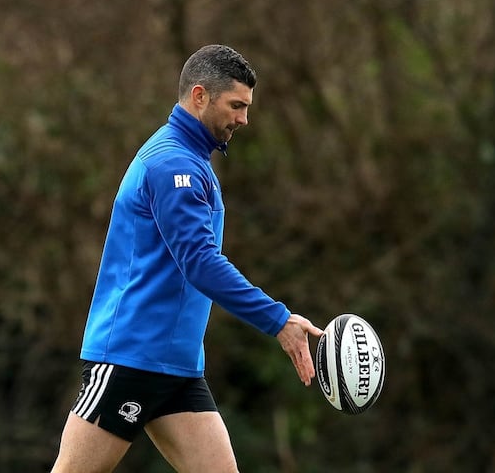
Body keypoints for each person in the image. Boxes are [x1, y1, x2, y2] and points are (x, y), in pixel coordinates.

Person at [50, 44, 323, 473]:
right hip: (130, 358)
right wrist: (278, 320)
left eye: (247, 107)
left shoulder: (195, 163)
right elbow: (199, 262)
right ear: (199, 96)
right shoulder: (172, 163)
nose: (244, 119)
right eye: (236, 105)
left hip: (178, 367)